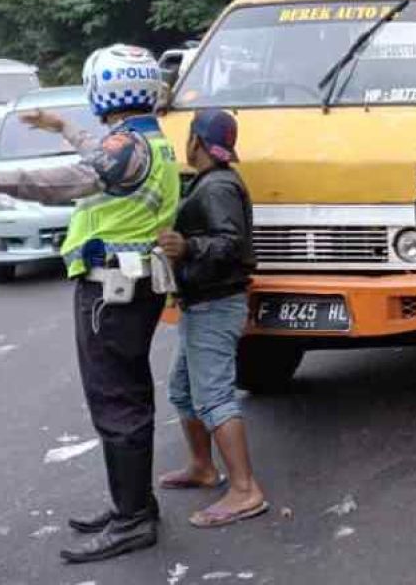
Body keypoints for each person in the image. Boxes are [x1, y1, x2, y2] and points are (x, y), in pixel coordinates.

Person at [0, 44, 180, 563]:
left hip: (112, 294)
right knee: (128, 395)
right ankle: (134, 504)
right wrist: (61, 128)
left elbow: (74, 179)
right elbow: (98, 156)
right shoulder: (144, 140)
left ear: (104, 89)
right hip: (129, 288)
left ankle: (133, 521)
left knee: (116, 402)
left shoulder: (128, 148)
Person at [157, 109, 267, 528]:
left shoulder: (218, 185)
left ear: (196, 142)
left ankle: (245, 491)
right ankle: (203, 467)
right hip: (200, 302)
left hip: (215, 304)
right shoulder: (208, 182)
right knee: (184, 390)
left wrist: (187, 248)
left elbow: (231, 244)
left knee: (215, 397)